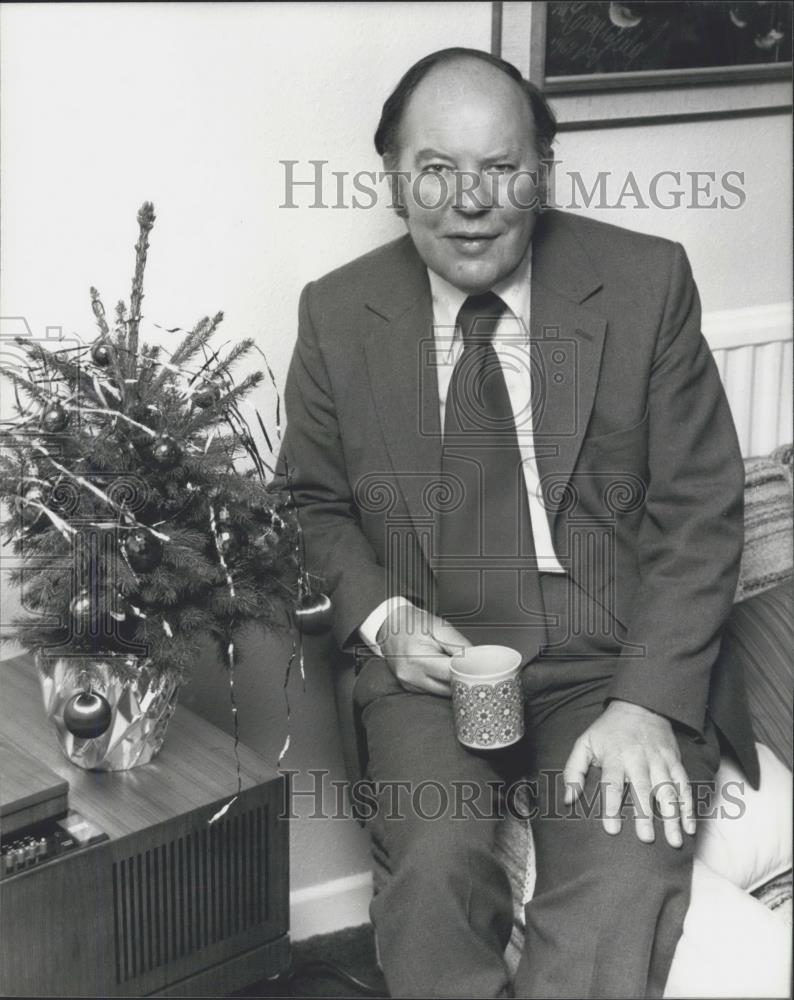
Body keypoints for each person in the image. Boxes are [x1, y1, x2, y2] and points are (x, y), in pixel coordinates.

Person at [278, 47, 757, 999]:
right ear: (394, 178)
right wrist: (384, 620)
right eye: (437, 170)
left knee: (618, 887)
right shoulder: (338, 314)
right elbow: (309, 504)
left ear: (542, 171)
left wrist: (645, 704)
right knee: (433, 871)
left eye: (502, 168)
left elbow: (701, 512)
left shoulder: (645, 282)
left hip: (608, 659)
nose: (470, 200)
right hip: (437, 656)